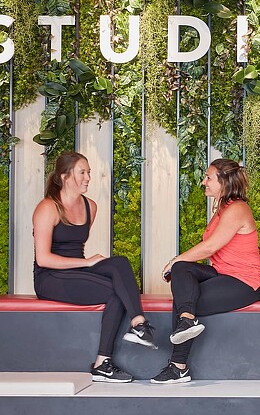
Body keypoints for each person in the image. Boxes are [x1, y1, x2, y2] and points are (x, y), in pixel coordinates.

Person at [33, 151, 157, 383]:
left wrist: (86, 264)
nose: (88, 177)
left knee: (119, 262)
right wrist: (87, 262)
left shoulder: (90, 206)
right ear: (65, 176)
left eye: (89, 172)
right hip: (50, 277)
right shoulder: (47, 207)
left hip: (77, 272)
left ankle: (138, 324)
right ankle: (104, 363)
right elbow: (43, 259)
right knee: (115, 291)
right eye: (82, 172)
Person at [150, 158, 260, 384]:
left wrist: (173, 260)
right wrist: (178, 263)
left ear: (224, 182)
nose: (204, 181)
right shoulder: (222, 209)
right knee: (183, 272)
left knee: (184, 298)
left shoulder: (238, 209)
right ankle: (187, 324)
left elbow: (211, 246)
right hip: (223, 274)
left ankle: (178, 367)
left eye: (208, 177)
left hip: (245, 283)